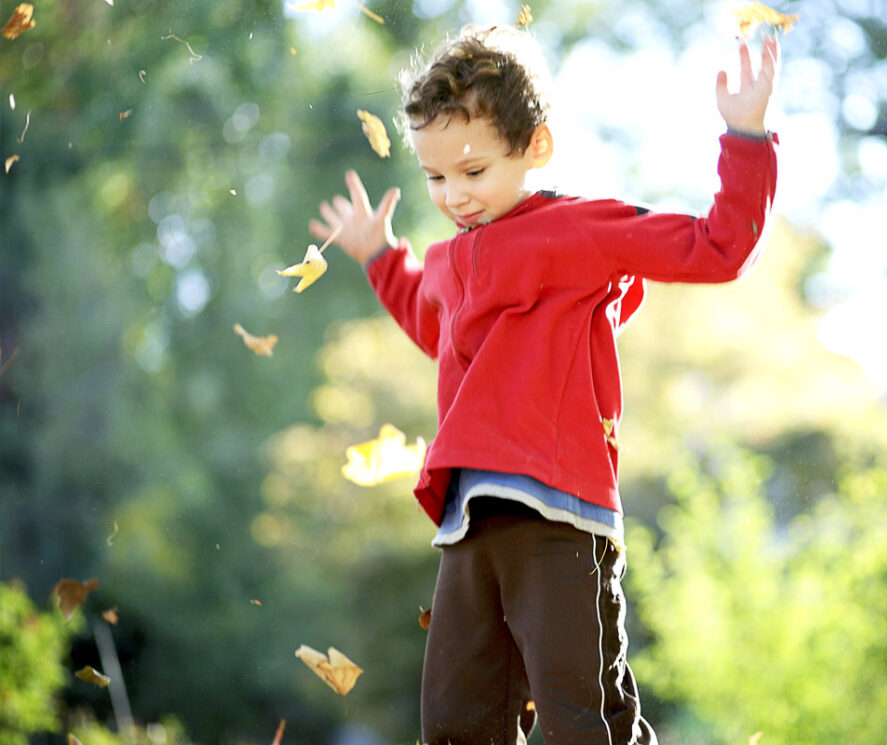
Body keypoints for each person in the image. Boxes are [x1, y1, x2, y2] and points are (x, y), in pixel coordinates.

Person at [309, 22, 779, 745]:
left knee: (579, 719)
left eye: (473, 172)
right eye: (436, 177)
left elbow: (719, 246)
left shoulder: (578, 230)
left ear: (536, 147)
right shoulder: (445, 261)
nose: (455, 195)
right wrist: (380, 257)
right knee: (457, 719)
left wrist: (745, 139)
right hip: (469, 521)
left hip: (560, 516)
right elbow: (437, 329)